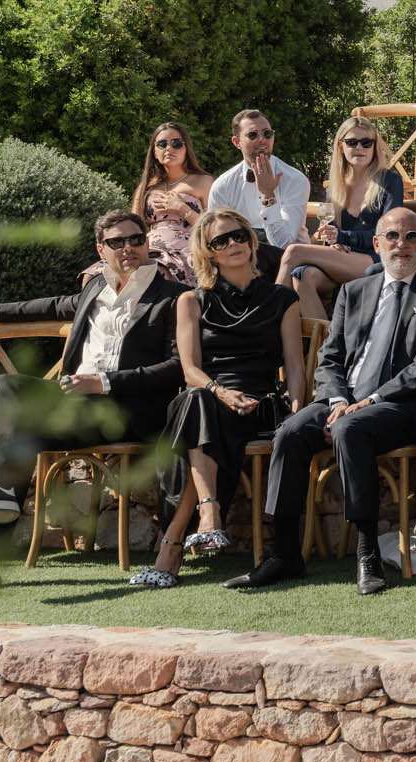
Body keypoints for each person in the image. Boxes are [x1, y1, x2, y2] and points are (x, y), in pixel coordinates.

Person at [0, 211, 183, 593]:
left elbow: (177, 368)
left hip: (130, 410)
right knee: (10, 387)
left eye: (135, 239)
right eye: (116, 242)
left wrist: (105, 382)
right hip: (76, 406)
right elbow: (49, 305)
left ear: (147, 243)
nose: (128, 248)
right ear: (101, 249)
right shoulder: (95, 290)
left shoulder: (174, 297)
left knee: (19, 432)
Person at [225, 205, 416, 595]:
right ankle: (284, 553)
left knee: (351, 428)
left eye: (412, 237)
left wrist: (370, 400)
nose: (402, 245)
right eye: (392, 236)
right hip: (343, 402)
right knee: (290, 431)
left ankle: (367, 551)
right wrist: (337, 398)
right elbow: (330, 357)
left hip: (403, 405)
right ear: (376, 244)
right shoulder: (354, 291)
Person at [130, 208, 304, 588]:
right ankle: (208, 516)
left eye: (239, 235)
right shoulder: (192, 301)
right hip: (210, 392)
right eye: (220, 241)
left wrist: (295, 411)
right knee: (198, 403)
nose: (233, 244)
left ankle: (173, 544)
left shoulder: (281, 299)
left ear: (251, 239)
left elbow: (294, 368)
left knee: (197, 419)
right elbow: (190, 369)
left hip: (258, 403)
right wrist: (221, 392)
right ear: (208, 252)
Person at [274, 119, 405, 322]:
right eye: (352, 142)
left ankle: (270, 324)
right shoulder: (336, 186)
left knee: (294, 252)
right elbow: (332, 232)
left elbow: (391, 234)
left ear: (374, 146)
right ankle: (325, 347)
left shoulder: (389, 181)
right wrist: (329, 238)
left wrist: (343, 236)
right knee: (302, 275)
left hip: (377, 258)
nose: (359, 148)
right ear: (340, 145)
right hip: (344, 258)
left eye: (366, 143)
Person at [205, 109, 310, 277]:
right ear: (236, 142)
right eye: (252, 135)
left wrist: (268, 195)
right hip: (241, 262)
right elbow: (218, 239)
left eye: (267, 134)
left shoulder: (295, 180)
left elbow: (284, 245)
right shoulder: (223, 186)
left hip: (289, 264)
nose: (262, 140)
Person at [130, 123, 214, 287]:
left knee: (155, 273)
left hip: (185, 253)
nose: (169, 148)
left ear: (186, 149)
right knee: (96, 274)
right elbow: (133, 226)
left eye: (176, 143)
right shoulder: (146, 186)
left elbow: (214, 230)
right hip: (148, 251)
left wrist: (182, 209)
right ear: (154, 152)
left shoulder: (203, 182)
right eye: (162, 144)